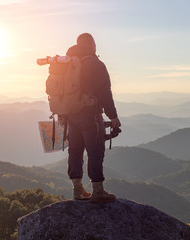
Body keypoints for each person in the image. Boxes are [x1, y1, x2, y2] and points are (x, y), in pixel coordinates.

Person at [65, 33, 121, 203]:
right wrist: (113, 116)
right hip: (90, 115)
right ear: (91, 45)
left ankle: (77, 189)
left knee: (75, 150)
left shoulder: (68, 64)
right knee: (95, 150)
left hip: (70, 115)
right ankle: (98, 191)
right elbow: (105, 92)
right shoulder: (95, 64)